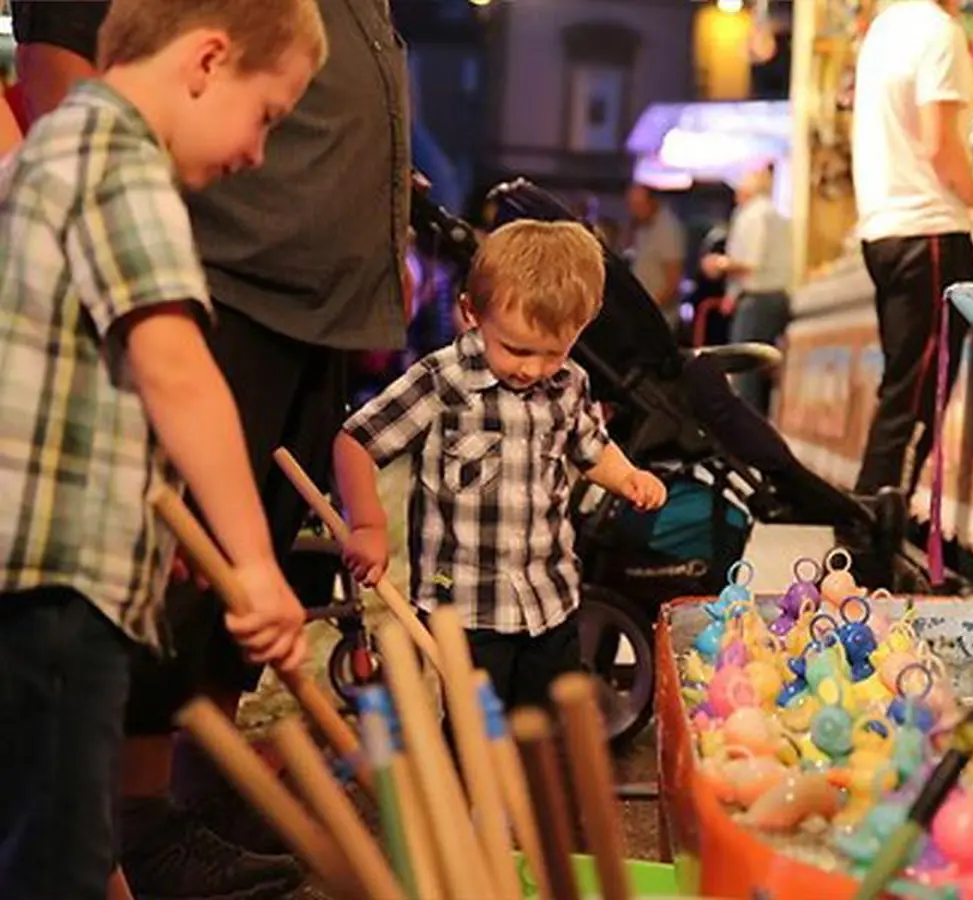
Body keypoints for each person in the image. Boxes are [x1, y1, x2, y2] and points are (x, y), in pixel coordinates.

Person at [11, 0, 411, 895]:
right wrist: (251, 562)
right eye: (266, 115)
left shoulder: (54, 155)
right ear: (205, 61)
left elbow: (78, 387)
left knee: (55, 830)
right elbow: (176, 369)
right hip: (56, 586)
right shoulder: (121, 165)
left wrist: (158, 526)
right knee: (59, 847)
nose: (258, 153)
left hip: (39, 580)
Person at [335, 220, 668, 711]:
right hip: (466, 605)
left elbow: (591, 448)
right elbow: (356, 442)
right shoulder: (443, 380)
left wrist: (628, 477)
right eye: (515, 348)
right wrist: (366, 524)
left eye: (553, 352)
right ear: (472, 312)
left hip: (549, 597)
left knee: (544, 726)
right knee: (478, 731)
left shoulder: (570, 382)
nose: (532, 368)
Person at [851, 0, 973, 501]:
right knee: (915, 396)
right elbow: (938, 145)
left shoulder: (882, 30)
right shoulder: (937, 32)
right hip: (930, 232)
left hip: (886, 229)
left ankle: (867, 528)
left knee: (903, 388)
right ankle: (873, 532)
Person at [701, 167, 793, 414]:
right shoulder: (775, 214)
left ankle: (746, 441)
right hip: (775, 296)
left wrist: (718, 264)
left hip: (758, 299)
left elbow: (749, 263)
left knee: (745, 375)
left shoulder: (752, 215)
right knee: (760, 373)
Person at [627, 182, 686, 334]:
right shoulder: (643, 227)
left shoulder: (668, 230)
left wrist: (648, 309)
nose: (634, 210)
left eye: (638, 205)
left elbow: (673, 281)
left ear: (652, 202)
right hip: (642, 316)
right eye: (632, 205)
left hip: (660, 319)